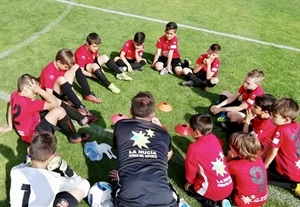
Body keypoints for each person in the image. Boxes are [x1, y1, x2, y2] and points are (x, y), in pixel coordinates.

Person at [109, 91, 178, 207]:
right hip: (164, 200)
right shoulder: (164, 134)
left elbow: (118, 148)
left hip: (129, 199)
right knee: (173, 193)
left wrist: (123, 175)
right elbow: (168, 154)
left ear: (131, 111)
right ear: (153, 114)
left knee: (102, 191)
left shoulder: (120, 125)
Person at [0, 74, 91, 144]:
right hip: (35, 137)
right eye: (34, 91)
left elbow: (11, 107)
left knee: (55, 103)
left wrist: (10, 126)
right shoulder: (30, 103)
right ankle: (75, 137)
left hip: (28, 129)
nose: (36, 94)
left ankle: (81, 118)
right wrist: (40, 90)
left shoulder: (15, 94)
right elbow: (54, 104)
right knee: (59, 110)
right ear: (26, 89)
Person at [10, 132, 90, 206]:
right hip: (55, 184)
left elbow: (24, 164)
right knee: (85, 184)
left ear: (29, 150)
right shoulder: (55, 179)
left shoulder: (15, 171)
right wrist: (65, 168)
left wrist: (29, 156)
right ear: (52, 157)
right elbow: (77, 181)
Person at [184, 113, 233, 207]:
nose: (189, 130)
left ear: (197, 132)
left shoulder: (194, 148)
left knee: (188, 188)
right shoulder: (214, 138)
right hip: (228, 186)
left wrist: (189, 182)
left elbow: (190, 170)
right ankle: (224, 201)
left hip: (212, 190)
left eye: (190, 129)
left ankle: (214, 204)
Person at [39, 48, 100, 116]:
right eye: (65, 67)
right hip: (53, 93)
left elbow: (68, 80)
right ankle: (80, 107)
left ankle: (87, 94)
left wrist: (73, 94)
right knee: (61, 79)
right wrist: (64, 102)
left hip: (62, 86)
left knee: (75, 66)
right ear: (58, 62)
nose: (67, 69)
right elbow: (48, 95)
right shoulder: (49, 73)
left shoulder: (61, 66)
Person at [264, 98, 300, 198]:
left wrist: (264, 165)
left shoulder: (281, 130)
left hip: (290, 174)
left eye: (274, 116)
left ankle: (293, 185)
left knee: (261, 176)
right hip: (297, 167)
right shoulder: (296, 125)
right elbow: (271, 145)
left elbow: (273, 152)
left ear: (286, 120)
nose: (270, 117)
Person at [227, 132, 268, 207]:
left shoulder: (233, 165)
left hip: (243, 202)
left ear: (239, 152)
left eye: (232, 146)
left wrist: (229, 157)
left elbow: (223, 169)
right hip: (262, 198)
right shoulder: (259, 158)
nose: (229, 146)